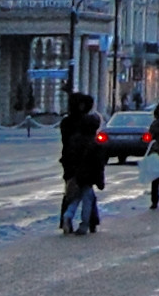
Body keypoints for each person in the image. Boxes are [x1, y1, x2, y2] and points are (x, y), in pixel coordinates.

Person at [57, 92, 106, 235]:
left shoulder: (68, 122)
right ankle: (89, 221)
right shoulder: (84, 123)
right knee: (83, 193)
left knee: (72, 192)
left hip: (71, 161)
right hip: (79, 162)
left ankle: (68, 220)